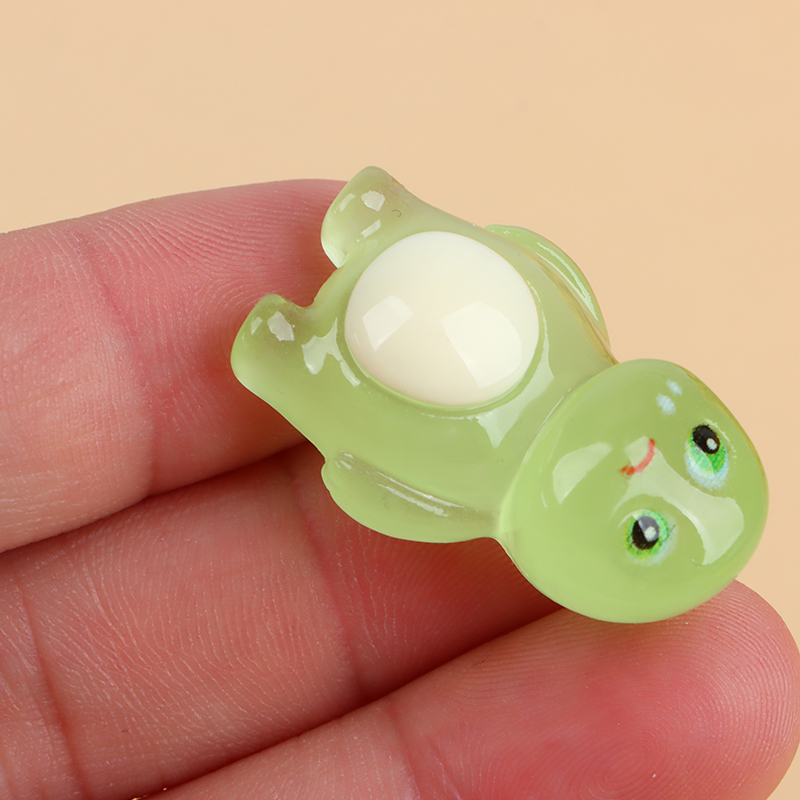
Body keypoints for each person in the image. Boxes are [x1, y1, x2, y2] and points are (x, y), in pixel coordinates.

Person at [0, 181, 797, 800]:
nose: (646, 461)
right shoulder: (578, 334)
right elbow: (538, 261)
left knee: (332, 377)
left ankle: (285, 349)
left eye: (644, 530)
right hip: (456, 287)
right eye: (705, 447)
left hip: (396, 364)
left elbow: (380, 493)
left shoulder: (478, 497)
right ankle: (361, 243)